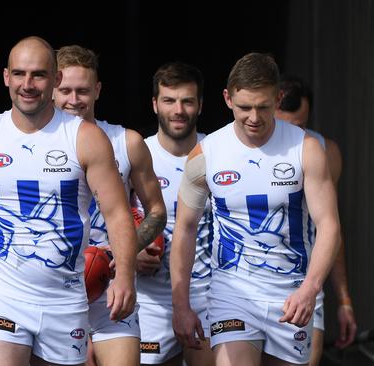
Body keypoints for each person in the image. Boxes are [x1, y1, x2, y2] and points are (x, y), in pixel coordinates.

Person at [0, 36, 138, 366]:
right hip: (0, 295)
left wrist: (125, 276)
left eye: (38, 75)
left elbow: (118, 214)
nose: (27, 84)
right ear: (6, 77)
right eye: (19, 74)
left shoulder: (86, 138)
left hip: (65, 300)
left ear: (56, 79)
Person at [170, 52, 341, 366]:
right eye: (244, 107)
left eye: (263, 107)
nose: (254, 117)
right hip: (232, 294)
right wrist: (180, 304)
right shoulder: (206, 153)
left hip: (292, 294)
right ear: (227, 98)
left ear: (277, 99)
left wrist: (310, 289)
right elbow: (185, 228)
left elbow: (328, 225)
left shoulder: (306, 148)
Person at [53, 45, 167, 366]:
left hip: (110, 287)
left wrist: (126, 251)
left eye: (83, 91)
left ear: (98, 90)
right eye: (65, 90)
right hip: (51, 286)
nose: (74, 100)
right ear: (51, 89)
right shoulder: (28, 143)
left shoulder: (127, 142)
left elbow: (156, 212)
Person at [134, 62, 214, 366]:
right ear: (155, 104)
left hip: (209, 295)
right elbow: (110, 220)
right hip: (151, 301)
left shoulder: (219, 151)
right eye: (169, 100)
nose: (178, 109)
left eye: (187, 101)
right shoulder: (136, 153)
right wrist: (132, 251)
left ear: (200, 105)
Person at [275, 75, 357, 365]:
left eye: (302, 126)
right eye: (287, 127)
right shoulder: (234, 150)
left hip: (305, 286)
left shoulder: (324, 150)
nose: (297, 136)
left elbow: (331, 229)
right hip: (244, 290)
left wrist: (344, 299)